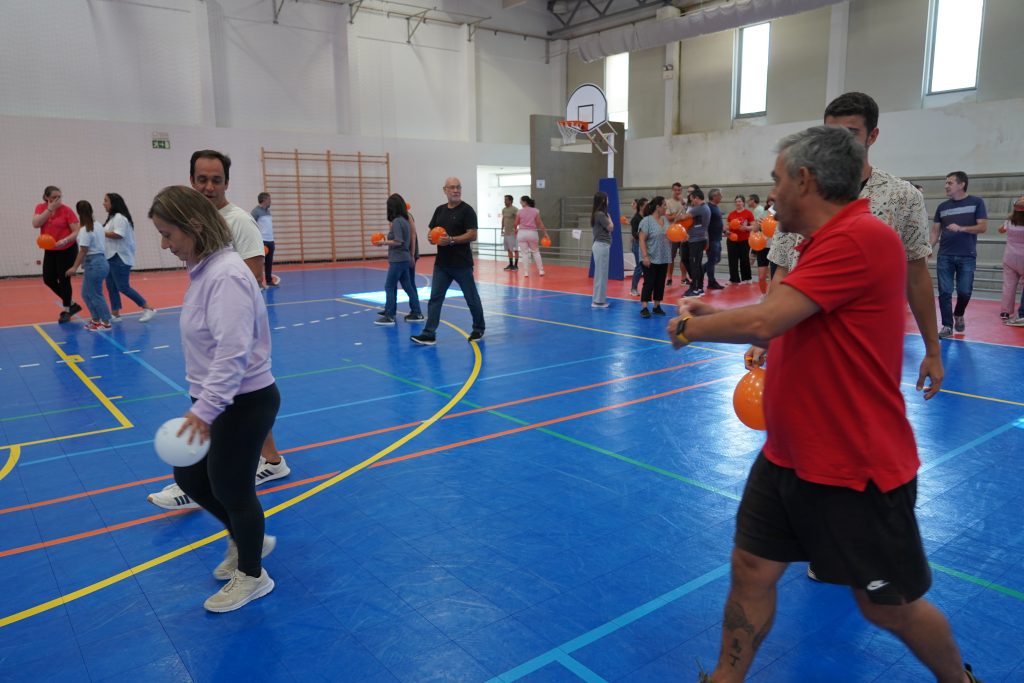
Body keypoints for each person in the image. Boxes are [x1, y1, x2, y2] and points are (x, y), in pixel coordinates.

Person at [668, 126, 983, 683]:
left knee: (888, 606)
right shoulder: (821, 244)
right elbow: (784, 321)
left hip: (854, 468)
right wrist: (714, 310)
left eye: (776, 180)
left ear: (804, 180)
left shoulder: (859, 237)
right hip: (789, 455)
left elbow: (767, 319)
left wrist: (694, 328)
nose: (772, 193)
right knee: (751, 570)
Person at [758, 91, 943, 403]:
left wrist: (933, 350)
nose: (837, 144)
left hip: (863, 355)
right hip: (799, 345)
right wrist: (765, 334)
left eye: (850, 133)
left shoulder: (901, 196)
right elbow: (782, 272)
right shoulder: (801, 192)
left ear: (873, 135)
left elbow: (916, 276)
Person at [148, 185, 279, 613]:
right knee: (189, 478)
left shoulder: (225, 275)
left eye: (169, 234)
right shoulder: (205, 269)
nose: (164, 244)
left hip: (243, 401)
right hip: (216, 400)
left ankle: (253, 575)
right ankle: (246, 540)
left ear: (195, 227)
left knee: (231, 487)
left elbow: (233, 352)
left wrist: (203, 412)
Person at [147, 150, 289, 512]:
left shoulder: (237, 221)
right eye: (201, 179)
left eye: (216, 180)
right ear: (191, 180)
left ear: (226, 183)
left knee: (238, 409)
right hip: (215, 339)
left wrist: (226, 324)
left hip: (235, 334)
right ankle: (267, 462)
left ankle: (215, 481)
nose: (208, 186)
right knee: (233, 417)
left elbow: (250, 279)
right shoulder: (190, 218)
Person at [410, 177, 485, 345]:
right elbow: (432, 232)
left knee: (471, 298)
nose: (456, 190)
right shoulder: (440, 210)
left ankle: (478, 328)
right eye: (452, 187)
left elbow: (472, 234)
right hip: (442, 265)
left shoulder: (467, 211)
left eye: (458, 187)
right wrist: (430, 237)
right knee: (435, 298)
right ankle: (429, 333)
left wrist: (452, 240)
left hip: (462, 264)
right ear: (445, 190)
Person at [931, 171, 988, 338]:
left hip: (967, 255)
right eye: (946, 183)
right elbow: (935, 231)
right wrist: (928, 248)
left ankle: (959, 314)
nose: (946, 186)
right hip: (945, 256)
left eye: (949, 183)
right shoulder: (942, 207)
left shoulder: (977, 202)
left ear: (962, 184)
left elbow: (983, 227)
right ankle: (947, 326)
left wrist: (962, 228)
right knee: (945, 292)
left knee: (964, 291)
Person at [102, 193, 156, 323]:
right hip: (110, 256)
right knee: (111, 286)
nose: (103, 203)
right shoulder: (112, 218)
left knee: (123, 287)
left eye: (106, 201)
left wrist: (100, 232)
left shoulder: (120, 218)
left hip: (119, 257)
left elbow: (118, 234)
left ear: (113, 203)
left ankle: (148, 308)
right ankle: (115, 314)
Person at [32, 186, 83, 323]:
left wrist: (65, 240)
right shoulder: (40, 207)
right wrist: (50, 209)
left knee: (64, 279)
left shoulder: (66, 210)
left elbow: (76, 231)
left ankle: (67, 310)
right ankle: (72, 304)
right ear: (46, 198)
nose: (57, 199)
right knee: (48, 279)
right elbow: (36, 224)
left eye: (59, 197)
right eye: (54, 197)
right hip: (50, 249)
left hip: (67, 249)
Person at [375, 194, 423, 325]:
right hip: (404, 259)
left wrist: (383, 242)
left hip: (398, 260)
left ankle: (389, 315)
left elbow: (398, 241)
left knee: (389, 286)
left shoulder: (397, 221)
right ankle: (417, 312)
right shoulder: (405, 220)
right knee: (408, 287)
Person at [66, 201, 112, 331]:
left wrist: (74, 267)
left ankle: (106, 322)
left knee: (95, 294)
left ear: (78, 212)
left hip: (95, 263)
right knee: (86, 294)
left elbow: (83, 250)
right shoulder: (96, 225)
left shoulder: (87, 229)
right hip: (97, 263)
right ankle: (96, 320)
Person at [638, 196, 671, 318]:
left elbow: (669, 235)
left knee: (660, 282)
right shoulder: (646, 221)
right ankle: (644, 307)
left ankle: (657, 306)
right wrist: (645, 256)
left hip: (663, 257)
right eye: (664, 205)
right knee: (649, 282)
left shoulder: (665, 220)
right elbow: (641, 239)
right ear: (658, 207)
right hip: (650, 257)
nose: (666, 208)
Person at [999, 196, 1024, 326]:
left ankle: (1005, 312)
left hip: (1010, 257)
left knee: (1009, 285)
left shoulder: (1009, 222)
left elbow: (1001, 230)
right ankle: (1022, 313)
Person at [683, 189, 710, 297]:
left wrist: (680, 213)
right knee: (692, 262)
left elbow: (682, 217)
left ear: (696, 198)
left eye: (692, 200)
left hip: (697, 240)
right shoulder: (703, 208)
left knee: (695, 264)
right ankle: (697, 285)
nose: (692, 202)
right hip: (694, 239)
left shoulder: (700, 208)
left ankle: (696, 289)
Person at [515, 195, 549, 278]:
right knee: (536, 251)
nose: (520, 202)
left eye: (521, 201)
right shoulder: (536, 211)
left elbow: (515, 223)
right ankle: (541, 270)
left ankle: (526, 272)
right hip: (532, 233)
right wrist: (545, 233)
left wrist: (515, 230)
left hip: (522, 233)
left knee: (524, 253)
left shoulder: (519, 212)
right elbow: (539, 223)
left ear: (524, 202)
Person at [590, 192, 613, 308]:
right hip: (601, 245)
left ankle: (598, 299)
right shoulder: (600, 214)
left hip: (601, 246)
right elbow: (610, 227)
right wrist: (609, 218)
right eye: (607, 199)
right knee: (601, 273)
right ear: (603, 201)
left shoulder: (599, 214)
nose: (608, 201)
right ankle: (598, 301)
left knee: (601, 273)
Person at [251, 192, 279, 287]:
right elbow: (251, 225)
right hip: (262, 241)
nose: (270, 201)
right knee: (259, 263)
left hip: (270, 240)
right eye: (269, 199)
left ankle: (269, 280)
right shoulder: (255, 212)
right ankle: (258, 283)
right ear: (264, 200)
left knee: (269, 262)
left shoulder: (268, 211)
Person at [726, 196, 754, 284]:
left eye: (740, 201)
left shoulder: (748, 213)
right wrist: (727, 232)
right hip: (732, 240)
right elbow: (727, 227)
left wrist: (746, 227)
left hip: (744, 240)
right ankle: (733, 279)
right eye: (736, 201)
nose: (738, 203)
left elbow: (753, 226)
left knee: (744, 259)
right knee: (732, 260)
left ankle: (747, 278)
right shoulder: (731, 214)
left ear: (743, 203)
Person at [665, 182, 688, 287]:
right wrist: (677, 215)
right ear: (672, 190)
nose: (677, 192)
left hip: (683, 232)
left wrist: (684, 205)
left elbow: (689, 215)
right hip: (673, 232)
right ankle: (669, 278)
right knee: (671, 257)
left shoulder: (686, 202)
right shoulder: (668, 202)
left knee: (684, 256)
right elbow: (668, 217)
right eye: (675, 190)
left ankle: (684, 278)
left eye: (679, 190)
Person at [705, 190, 725, 290]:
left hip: (717, 238)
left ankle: (700, 272)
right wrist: (707, 240)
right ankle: (711, 282)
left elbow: (717, 223)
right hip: (712, 239)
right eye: (720, 195)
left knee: (716, 260)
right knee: (712, 260)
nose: (721, 197)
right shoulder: (708, 207)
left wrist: (725, 231)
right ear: (714, 196)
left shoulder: (716, 207)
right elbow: (706, 224)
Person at [629, 197, 648, 296]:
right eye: (646, 205)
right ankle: (633, 288)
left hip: (645, 245)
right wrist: (643, 236)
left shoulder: (647, 217)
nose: (648, 207)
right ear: (641, 207)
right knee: (639, 266)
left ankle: (647, 288)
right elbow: (635, 234)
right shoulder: (635, 219)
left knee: (646, 267)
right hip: (638, 245)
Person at [500, 195, 519, 271]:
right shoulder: (504, 209)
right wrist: (502, 228)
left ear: (510, 201)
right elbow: (503, 219)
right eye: (504, 200)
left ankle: (516, 265)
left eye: (506, 200)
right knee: (508, 249)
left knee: (515, 249)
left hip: (512, 232)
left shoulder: (515, 209)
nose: (504, 201)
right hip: (506, 232)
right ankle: (510, 264)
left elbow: (518, 219)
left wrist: (517, 228)